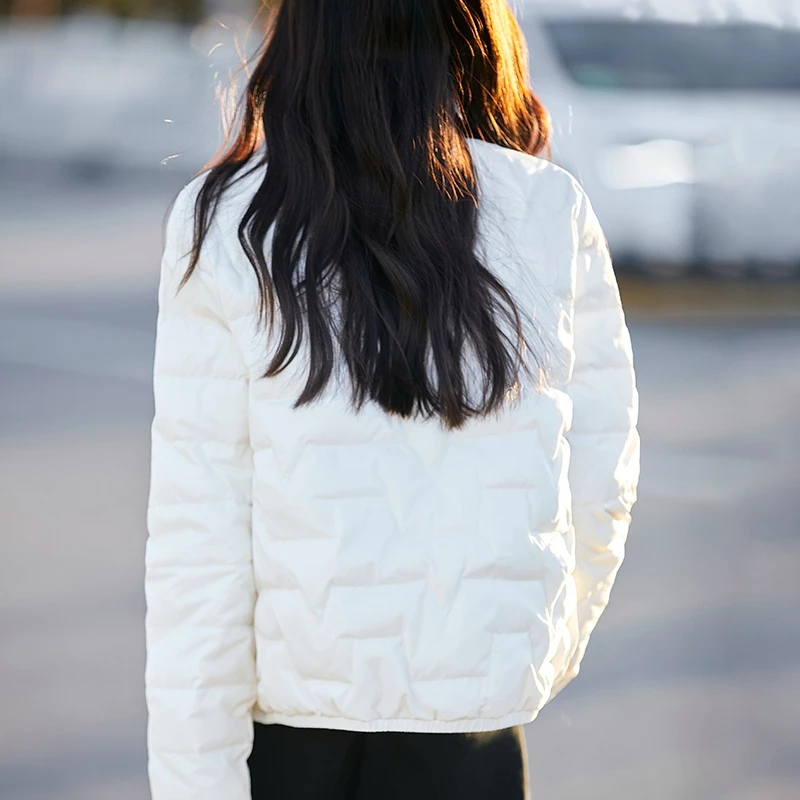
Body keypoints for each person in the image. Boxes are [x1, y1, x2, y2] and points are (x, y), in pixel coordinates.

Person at [144, 0, 640, 798]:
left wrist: (192, 779)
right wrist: (527, 658)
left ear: (302, 36)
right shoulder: (547, 208)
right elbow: (600, 482)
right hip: (470, 731)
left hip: (290, 737)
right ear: (468, 33)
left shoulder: (230, 222)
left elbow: (196, 538)